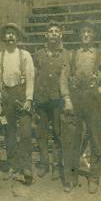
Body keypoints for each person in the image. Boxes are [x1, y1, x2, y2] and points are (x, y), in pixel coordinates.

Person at [60, 20, 101, 193]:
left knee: (95, 139)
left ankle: (94, 177)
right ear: (79, 35)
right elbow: (63, 78)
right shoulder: (72, 55)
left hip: (93, 100)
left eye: (89, 32)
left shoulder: (100, 54)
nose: (86, 35)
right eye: (83, 32)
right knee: (73, 139)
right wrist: (66, 98)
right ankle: (70, 177)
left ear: (94, 35)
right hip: (75, 100)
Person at [0, 23, 35, 184]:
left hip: (22, 94)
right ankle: (12, 166)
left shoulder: (24, 55)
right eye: (8, 34)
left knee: (24, 133)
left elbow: (30, 77)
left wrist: (29, 98)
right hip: (6, 95)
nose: (10, 37)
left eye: (13, 34)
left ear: (17, 37)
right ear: (4, 37)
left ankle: (26, 167)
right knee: (9, 133)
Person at [34, 20, 69, 179]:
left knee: (57, 133)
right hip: (41, 100)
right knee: (41, 134)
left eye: (56, 31)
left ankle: (56, 166)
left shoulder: (65, 54)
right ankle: (44, 164)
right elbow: (34, 74)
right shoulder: (39, 53)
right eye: (51, 31)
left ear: (60, 34)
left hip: (57, 100)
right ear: (46, 35)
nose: (54, 34)